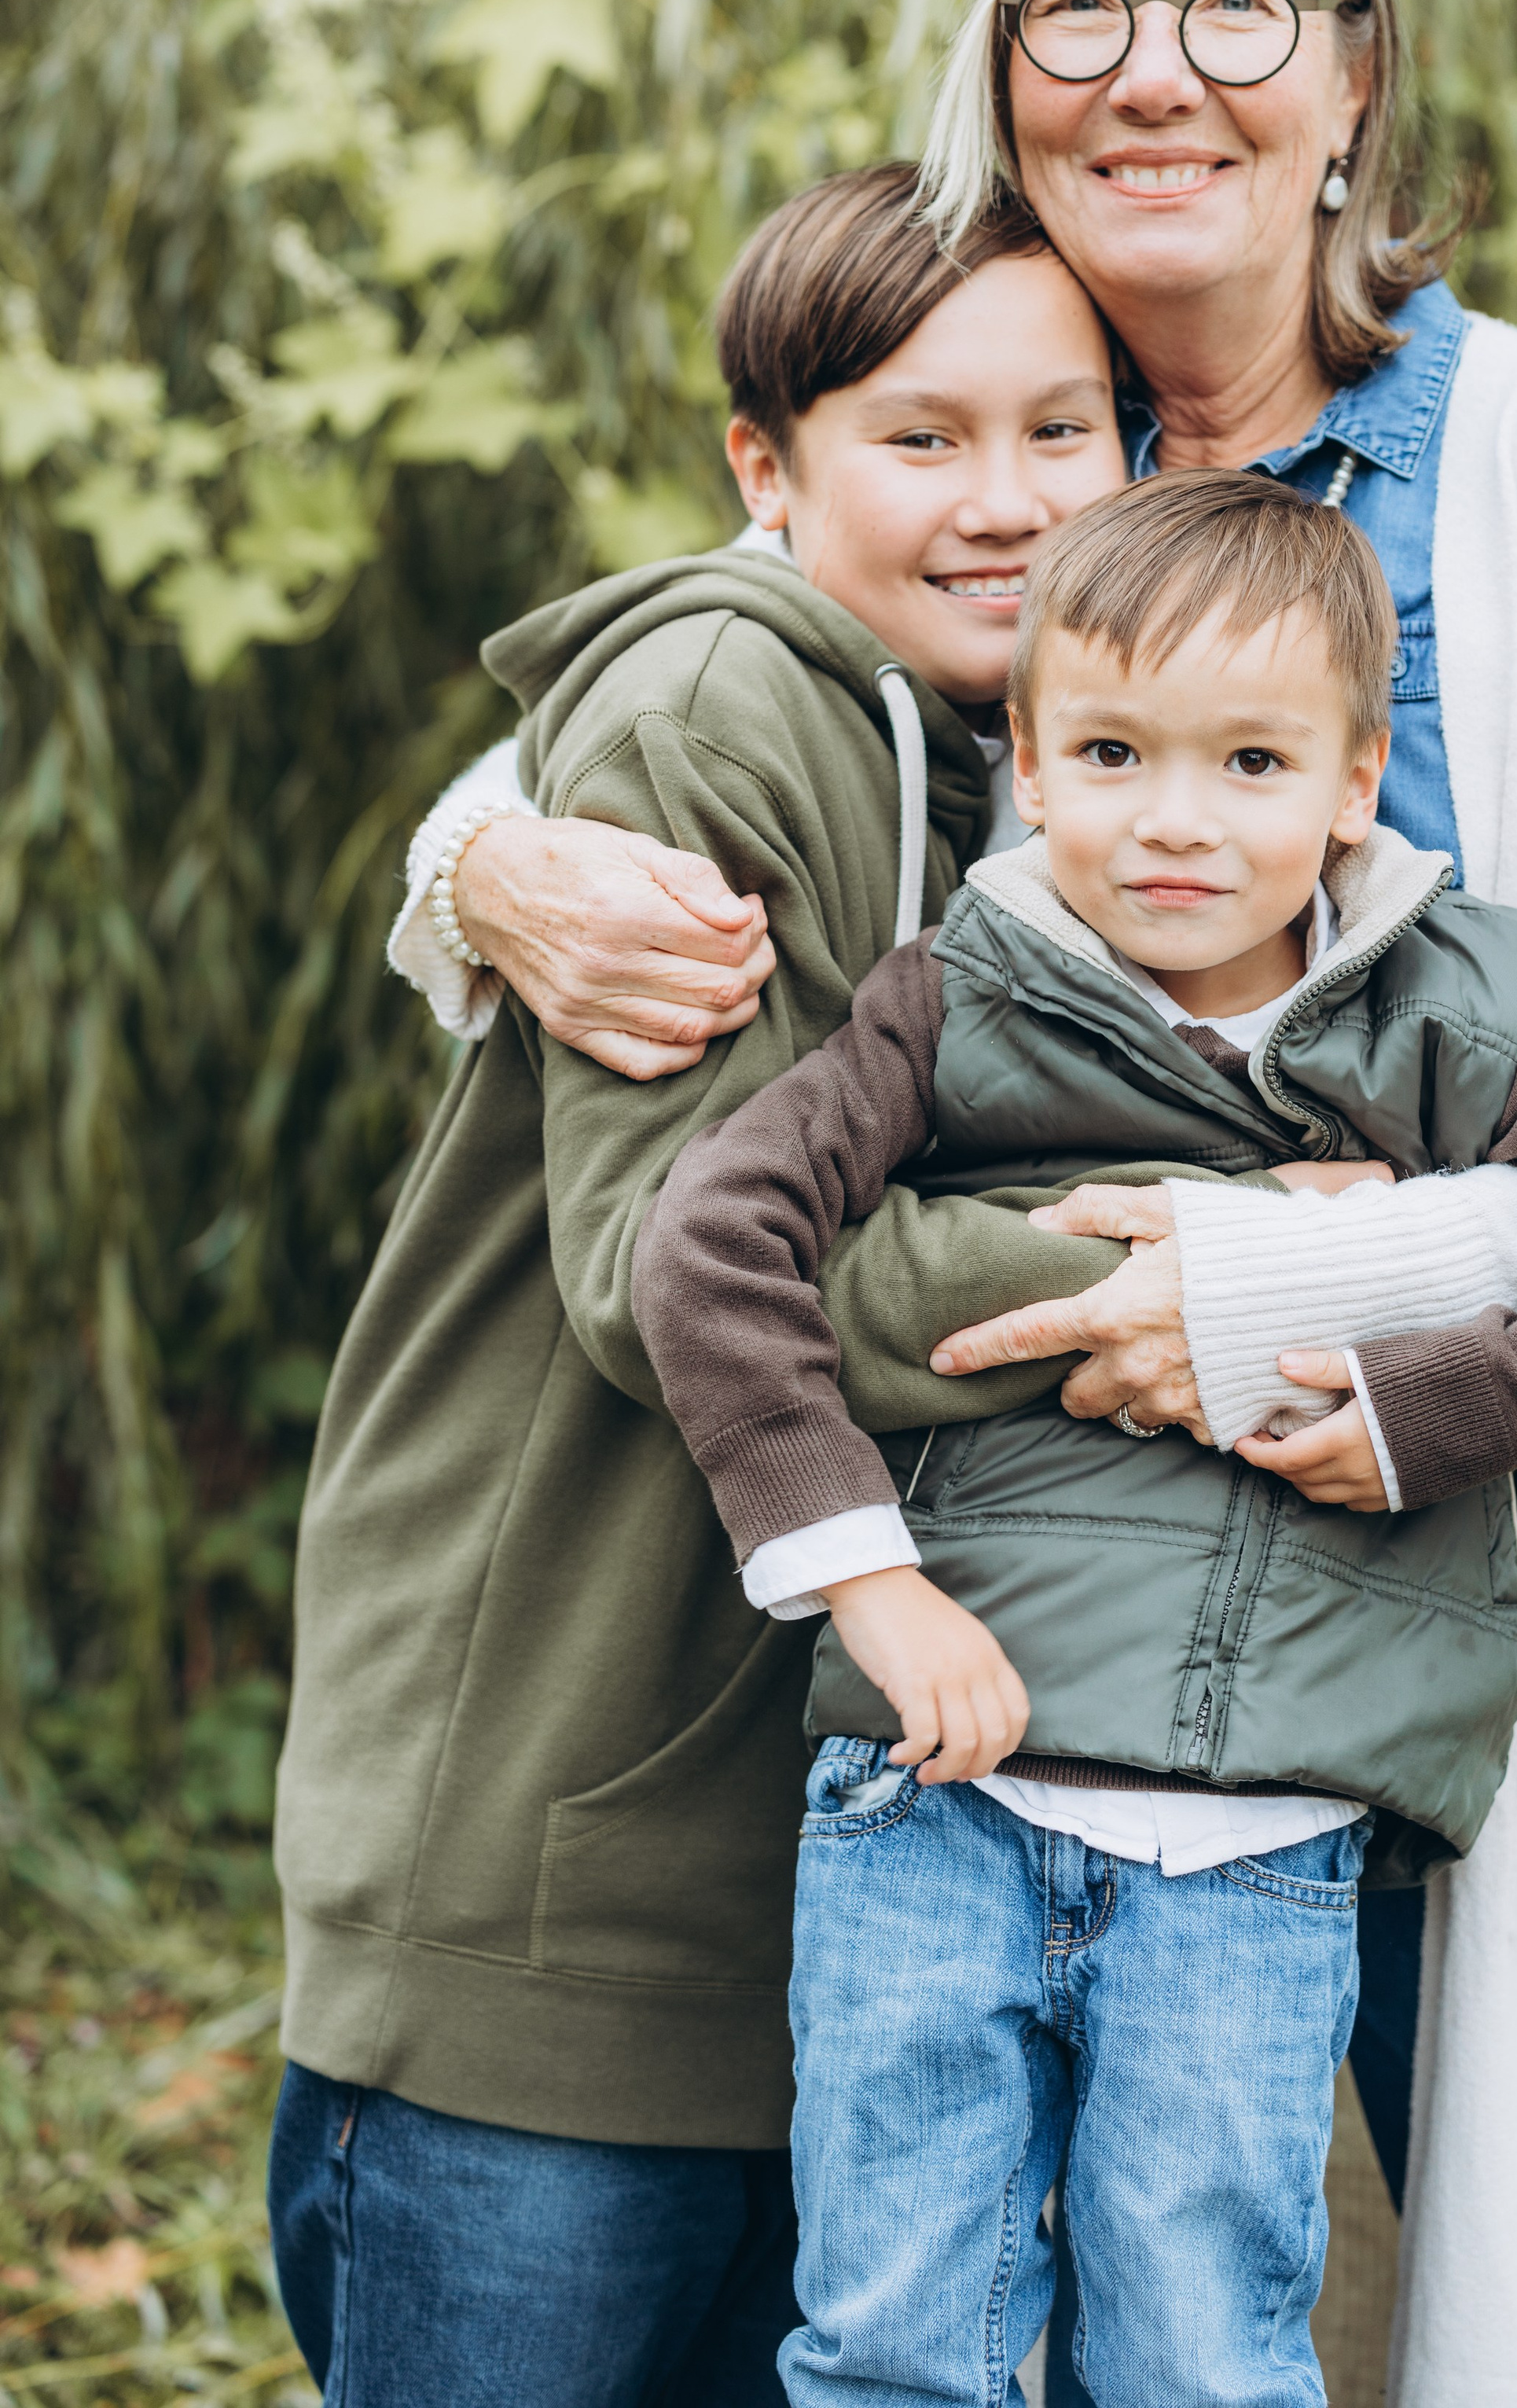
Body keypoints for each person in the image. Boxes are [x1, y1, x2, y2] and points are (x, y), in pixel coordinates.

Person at [410, 0, 1517, 2408]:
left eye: (1233, 4)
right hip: (1027, 1662)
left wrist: (1301, 1288)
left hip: (1435, 1573)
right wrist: (468, 856)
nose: (1154, 69)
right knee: (1016, 2324)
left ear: (1355, 77)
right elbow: (702, 689)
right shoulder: (995, 442)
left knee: (1435, 2321)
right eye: (1081, 11)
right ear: (998, 74)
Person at [636, 469, 1517, 2408]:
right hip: (941, 1788)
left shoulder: (1466, 1019)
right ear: (1025, 761)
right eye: (1107, 751)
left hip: (1260, 1839)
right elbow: (711, 1239)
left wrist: (1413, 1405)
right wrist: (864, 1576)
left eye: (1250, 760)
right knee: (892, 2345)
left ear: (1355, 782)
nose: (1173, 819)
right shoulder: (952, 1001)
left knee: (1199, 2358)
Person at [266, 167, 1144, 2408]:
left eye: (1067, 430)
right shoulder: (720, 704)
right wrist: (1192, 1275)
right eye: (921, 437)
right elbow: (666, 1271)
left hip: (799, 1889)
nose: (1011, 499)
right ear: (767, 468)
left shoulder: (1007, 764)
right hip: (549, 1882)